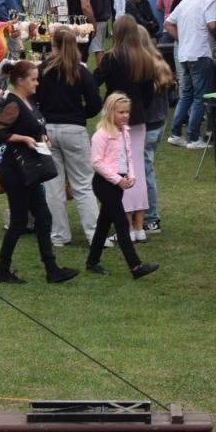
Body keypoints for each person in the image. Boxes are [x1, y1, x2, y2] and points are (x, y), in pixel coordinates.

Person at [0, 60, 79, 285]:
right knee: (19, 222)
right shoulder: (13, 103)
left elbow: (36, 126)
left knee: (44, 218)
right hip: (15, 170)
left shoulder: (28, 101)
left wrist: (42, 138)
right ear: (20, 81)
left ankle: (52, 269)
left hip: (29, 170)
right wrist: (25, 139)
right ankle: (2, 270)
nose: (37, 83)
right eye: (33, 79)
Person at [96, 15, 172, 240]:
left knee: (119, 171)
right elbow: (148, 94)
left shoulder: (111, 59)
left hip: (116, 116)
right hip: (137, 117)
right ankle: (138, 226)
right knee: (135, 170)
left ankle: (126, 227)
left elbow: (94, 80)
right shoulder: (144, 59)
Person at [36, 27, 102, 248]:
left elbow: (33, 98)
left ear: (53, 45)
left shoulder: (42, 70)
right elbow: (95, 103)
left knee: (53, 186)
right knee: (83, 183)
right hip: (74, 130)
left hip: (48, 130)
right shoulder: (80, 71)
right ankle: (94, 234)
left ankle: (59, 235)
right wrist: (79, 115)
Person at [85, 94, 160, 280]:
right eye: (121, 112)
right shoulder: (101, 135)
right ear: (110, 112)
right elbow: (96, 162)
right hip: (104, 184)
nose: (125, 115)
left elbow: (129, 157)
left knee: (104, 223)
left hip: (119, 182)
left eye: (127, 112)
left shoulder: (125, 131)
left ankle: (92, 261)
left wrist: (131, 176)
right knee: (121, 223)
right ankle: (135, 266)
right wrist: (117, 180)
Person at [165, 0, 216, 149]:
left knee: (186, 94)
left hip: (185, 53)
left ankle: (175, 133)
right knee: (199, 97)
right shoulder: (210, 2)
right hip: (201, 53)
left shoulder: (185, 2)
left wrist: (182, 39)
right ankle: (193, 137)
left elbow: (168, 24)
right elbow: (212, 26)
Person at [87, 0, 114, 64]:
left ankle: (102, 72)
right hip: (103, 18)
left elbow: (96, 6)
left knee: (97, 48)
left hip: (97, 19)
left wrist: (91, 19)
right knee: (99, 47)